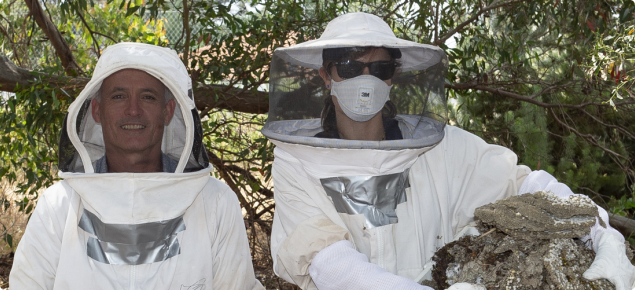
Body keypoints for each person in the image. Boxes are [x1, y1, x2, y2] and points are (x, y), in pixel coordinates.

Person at [261, 12, 635, 290]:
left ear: (394, 76)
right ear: (326, 74)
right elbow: (330, 263)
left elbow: (527, 186)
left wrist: (602, 235)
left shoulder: (443, 148)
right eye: (349, 66)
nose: (366, 79)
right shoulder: (297, 162)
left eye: (380, 67)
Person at [10, 42, 264, 289]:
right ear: (97, 110)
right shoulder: (59, 206)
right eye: (119, 96)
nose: (133, 110)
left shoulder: (215, 203)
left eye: (148, 97)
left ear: (167, 111)